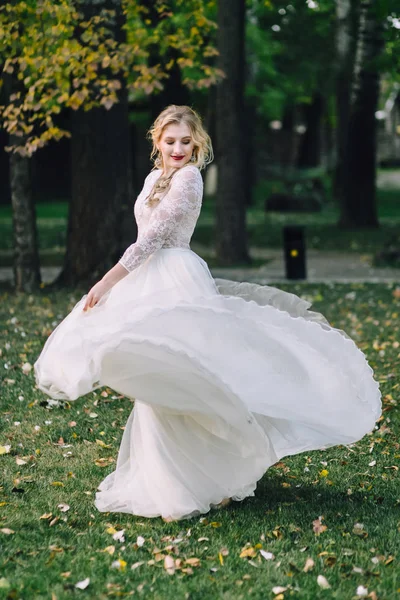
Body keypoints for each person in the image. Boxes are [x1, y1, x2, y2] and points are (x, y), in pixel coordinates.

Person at [34, 104, 382, 523]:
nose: (178, 148)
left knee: (188, 379)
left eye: (186, 141)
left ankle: (212, 473)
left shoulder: (188, 180)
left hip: (174, 277)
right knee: (156, 382)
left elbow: (154, 239)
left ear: (197, 142)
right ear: (157, 142)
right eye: (170, 141)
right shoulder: (152, 178)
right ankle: (165, 477)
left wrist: (106, 283)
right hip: (146, 281)